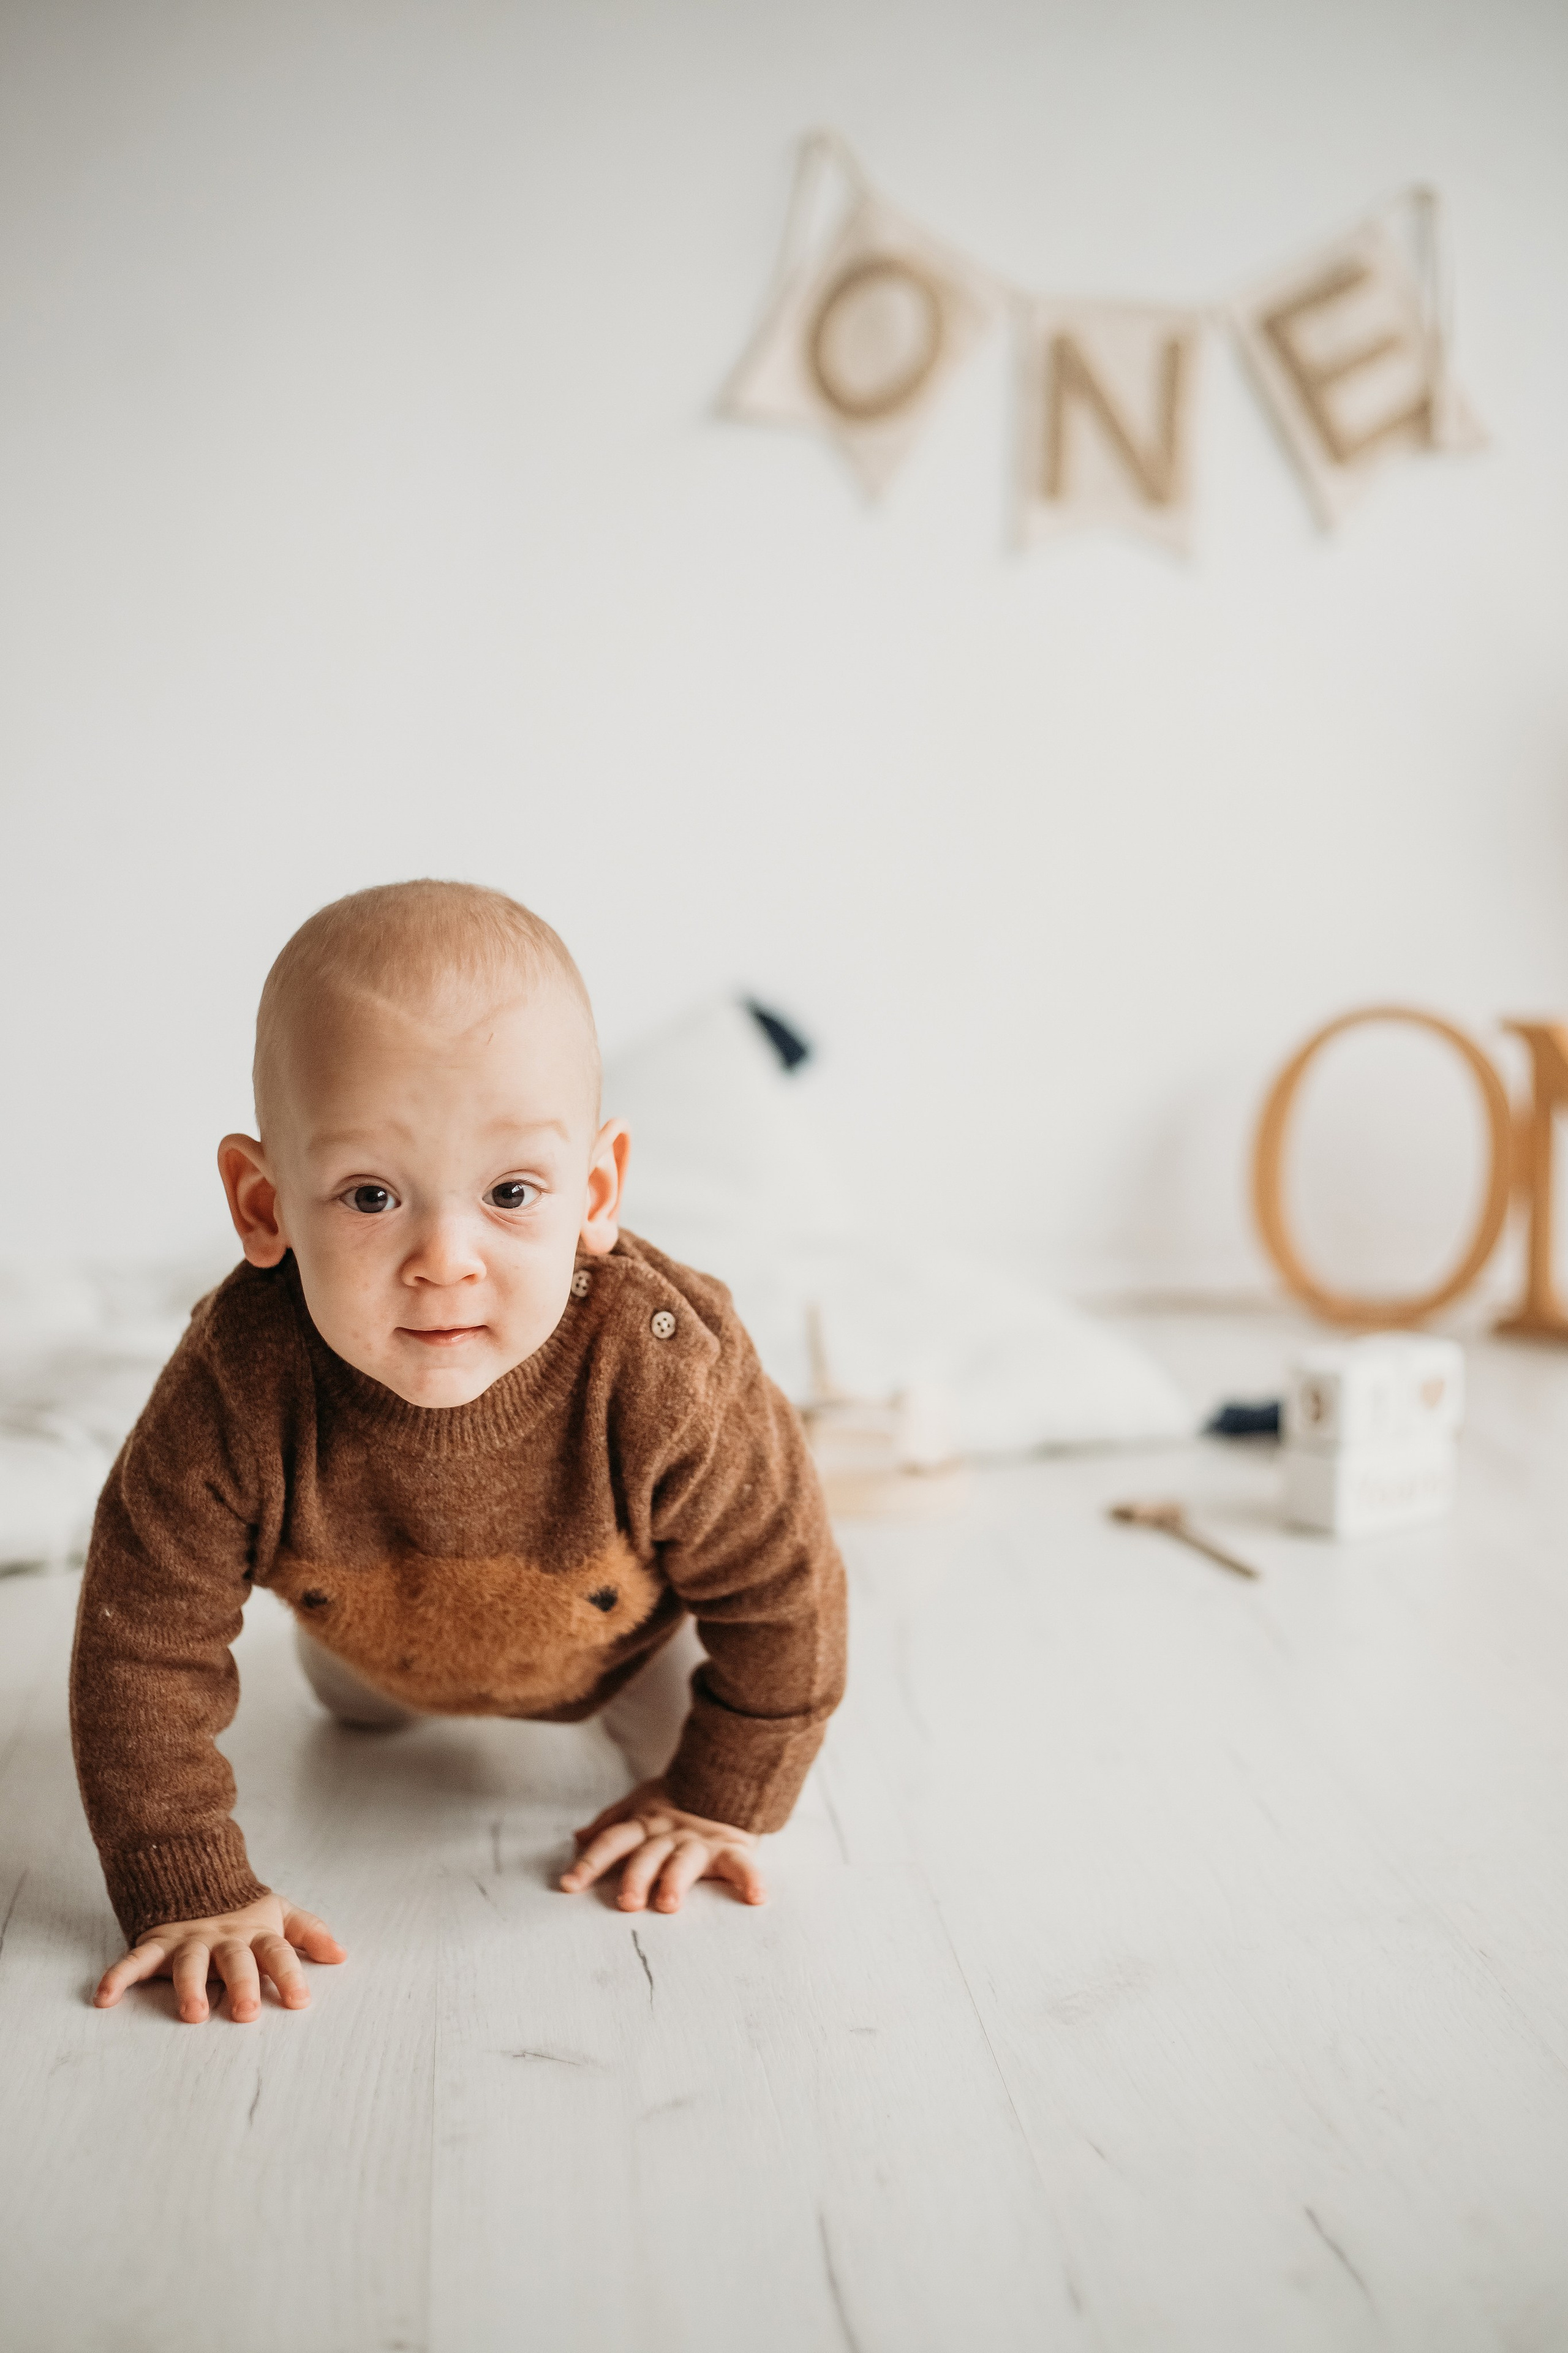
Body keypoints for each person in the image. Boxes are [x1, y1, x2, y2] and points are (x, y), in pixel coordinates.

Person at [74, 880, 846, 2026]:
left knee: (697, 1710)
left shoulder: (663, 1370)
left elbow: (787, 1591)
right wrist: (187, 1886)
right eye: (372, 1194)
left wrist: (721, 1795)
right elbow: (141, 1645)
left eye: (511, 1192)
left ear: (596, 1194)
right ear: (263, 1201)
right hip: (368, 1644)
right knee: (360, 1710)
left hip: (627, 1645)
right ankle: (383, 1692)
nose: (446, 1257)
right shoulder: (238, 1383)